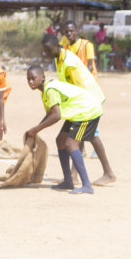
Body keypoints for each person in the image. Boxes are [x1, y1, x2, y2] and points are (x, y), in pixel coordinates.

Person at [41, 33, 116, 185]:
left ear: (57, 46)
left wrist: (79, 110)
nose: (46, 53)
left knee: (84, 136)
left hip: (88, 100)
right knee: (81, 137)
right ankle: (75, 175)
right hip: (82, 101)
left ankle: (107, 173)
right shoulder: (59, 58)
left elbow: (80, 89)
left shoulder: (67, 62)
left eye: (48, 50)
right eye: (44, 51)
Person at [23, 65, 103, 195]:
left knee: (71, 144)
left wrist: (35, 129)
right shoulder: (44, 92)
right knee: (60, 140)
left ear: (43, 77)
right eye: (28, 79)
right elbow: (50, 114)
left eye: (33, 78)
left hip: (87, 110)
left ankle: (87, 185)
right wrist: (35, 130)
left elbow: (56, 116)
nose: (30, 82)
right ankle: (68, 181)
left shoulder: (49, 89)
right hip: (77, 112)